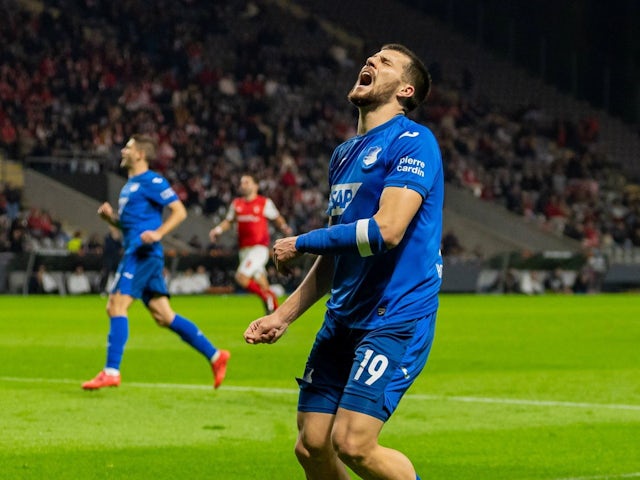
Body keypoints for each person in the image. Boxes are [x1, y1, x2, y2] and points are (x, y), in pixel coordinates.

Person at [244, 44, 443, 480]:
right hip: (343, 319)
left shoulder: (414, 141)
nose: (371, 62)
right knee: (312, 445)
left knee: (353, 443)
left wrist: (303, 240)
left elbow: (387, 230)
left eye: (385, 62)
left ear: (406, 90)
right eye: (371, 58)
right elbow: (340, 252)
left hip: (394, 315)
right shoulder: (344, 155)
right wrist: (284, 315)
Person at [82, 134, 230, 390]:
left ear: (140, 154)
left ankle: (111, 371)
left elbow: (179, 211)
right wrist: (110, 220)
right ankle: (216, 356)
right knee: (164, 316)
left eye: (127, 148)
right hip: (138, 251)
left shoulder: (152, 180)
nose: (123, 151)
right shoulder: (130, 185)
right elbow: (129, 225)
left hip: (142, 253)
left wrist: (159, 233)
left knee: (116, 305)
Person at [209, 173, 292, 314]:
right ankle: (277, 317)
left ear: (255, 185)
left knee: (241, 277)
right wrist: (217, 230)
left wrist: (284, 228)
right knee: (262, 284)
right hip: (244, 250)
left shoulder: (264, 202)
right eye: (242, 183)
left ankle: (266, 299)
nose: (243, 185)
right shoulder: (237, 204)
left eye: (247, 182)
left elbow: (276, 218)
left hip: (259, 249)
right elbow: (229, 221)